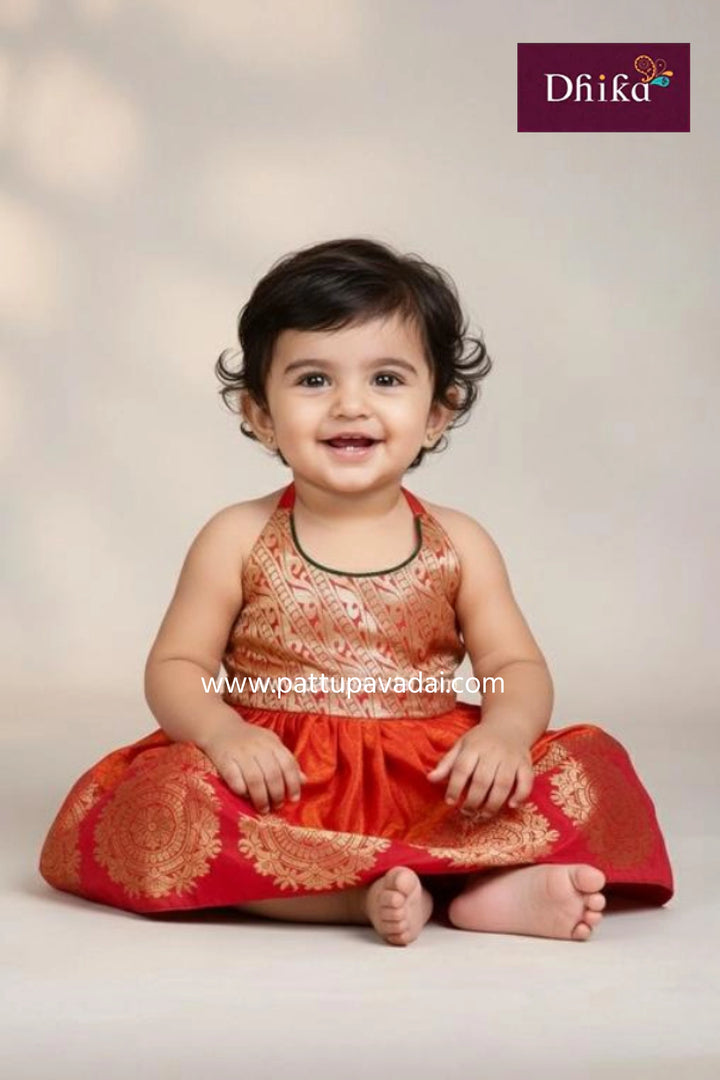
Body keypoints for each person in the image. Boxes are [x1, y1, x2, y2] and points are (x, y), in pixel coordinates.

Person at [39, 237, 674, 946]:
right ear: (259, 412)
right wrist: (223, 734)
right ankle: (364, 898)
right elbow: (177, 666)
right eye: (313, 380)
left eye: (386, 380)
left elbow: (513, 669)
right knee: (164, 800)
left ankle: (479, 891)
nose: (349, 405)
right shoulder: (237, 535)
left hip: (431, 777)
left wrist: (503, 733)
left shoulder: (458, 541)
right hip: (280, 780)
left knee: (591, 766)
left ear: (437, 412)